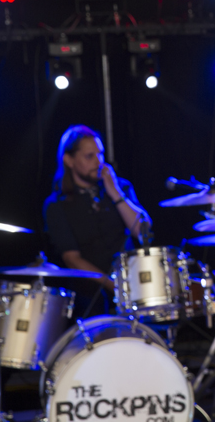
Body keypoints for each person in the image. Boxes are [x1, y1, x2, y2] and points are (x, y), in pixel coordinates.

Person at [43, 125, 152, 317]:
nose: (98, 162)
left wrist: (116, 193)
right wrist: (112, 285)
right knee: (91, 302)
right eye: (89, 156)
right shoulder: (56, 205)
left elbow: (143, 232)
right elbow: (71, 258)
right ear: (69, 160)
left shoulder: (121, 188)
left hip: (131, 280)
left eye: (100, 154)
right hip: (89, 290)